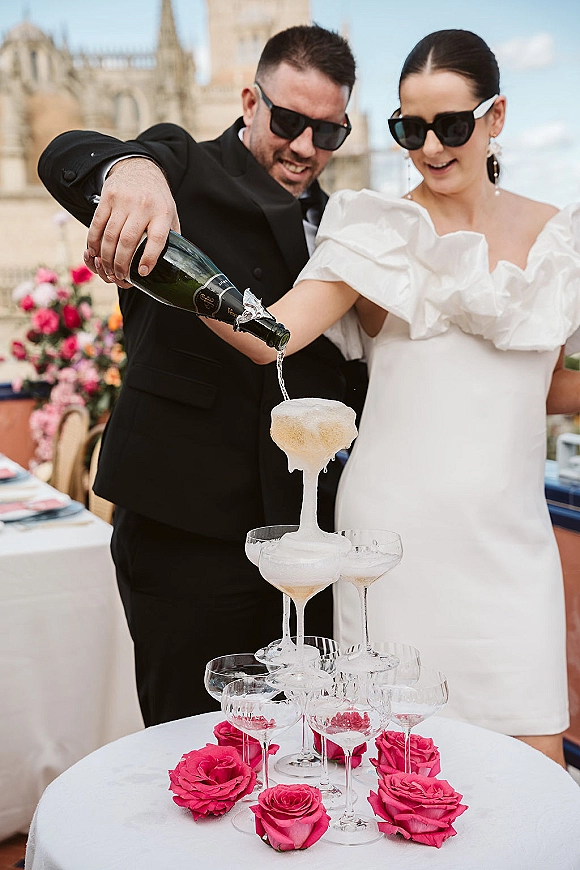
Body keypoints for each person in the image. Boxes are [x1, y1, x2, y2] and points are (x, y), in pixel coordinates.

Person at [200, 29, 580, 767]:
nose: (431, 147)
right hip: (392, 548)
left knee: (534, 765)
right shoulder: (376, 228)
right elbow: (269, 336)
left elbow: (539, 390)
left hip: (513, 546)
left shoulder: (560, 242)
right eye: (411, 128)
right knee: (389, 767)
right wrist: (165, 266)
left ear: (495, 118)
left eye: (452, 125)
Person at [38, 25, 367, 726]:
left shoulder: (346, 220)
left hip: (304, 540)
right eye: (287, 122)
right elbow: (66, 155)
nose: (306, 148)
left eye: (328, 133)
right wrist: (128, 170)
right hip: (185, 534)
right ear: (249, 100)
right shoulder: (180, 167)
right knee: (192, 746)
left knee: (292, 746)